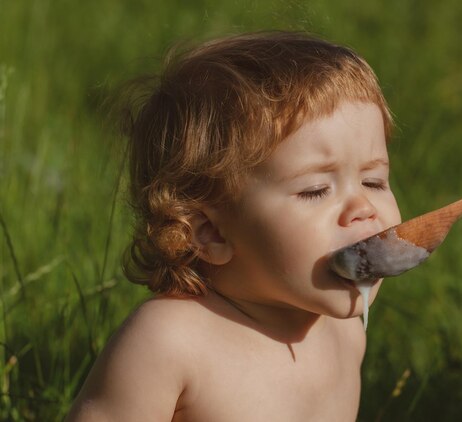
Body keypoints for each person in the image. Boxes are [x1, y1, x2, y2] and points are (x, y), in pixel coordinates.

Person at [67, 31, 401, 421]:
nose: (362, 207)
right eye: (315, 190)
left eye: (374, 181)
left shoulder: (344, 333)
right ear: (211, 232)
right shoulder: (169, 342)